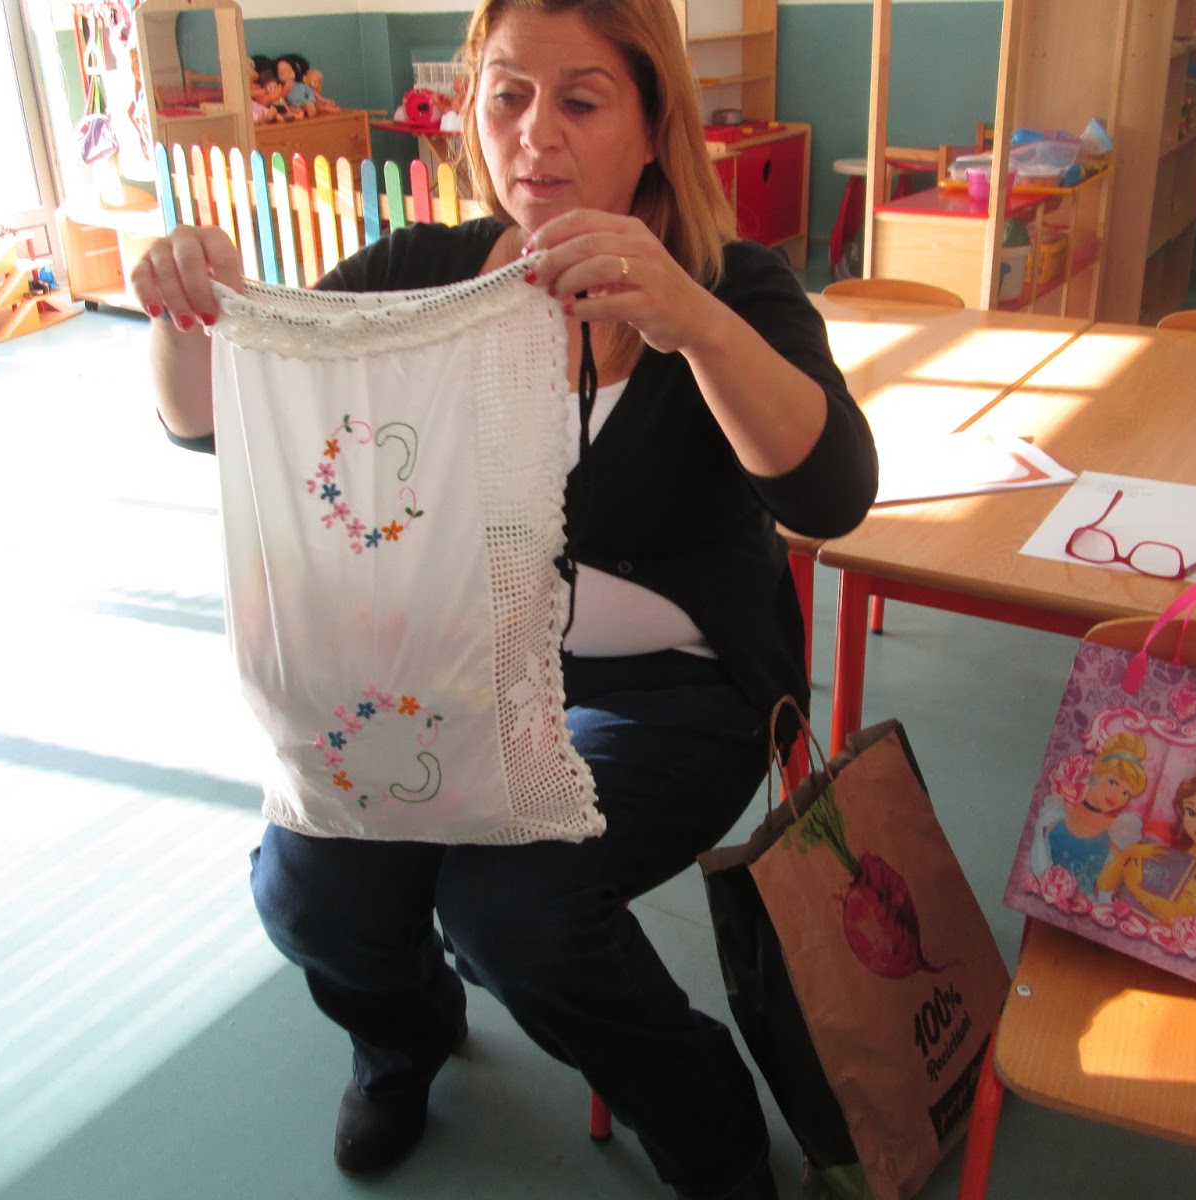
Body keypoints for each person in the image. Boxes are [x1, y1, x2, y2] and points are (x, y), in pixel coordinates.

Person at [129, 0, 877, 1196]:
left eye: (581, 100)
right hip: (443, 673)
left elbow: (832, 493)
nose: (537, 133)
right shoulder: (421, 276)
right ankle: (402, 1038)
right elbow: (211, 418)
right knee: (312, 887)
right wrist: (183, 313)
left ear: (651, 127)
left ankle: (711, 1135)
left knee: (512, 906)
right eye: (508, 97)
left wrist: (691, 321)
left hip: (673, 699)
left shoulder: (731, 285)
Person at [1098, 760, 1196, 923]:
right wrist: (1129, 852)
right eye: (1191, 812)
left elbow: (1178, 918)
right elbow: (1104, 885)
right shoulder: (1162, 850)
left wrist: (1136, 888)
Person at [1029, 731, 1146, 896]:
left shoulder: (1117, 832)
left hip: (1085, 905)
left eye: (1126, 793)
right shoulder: (1058, 808)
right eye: (1113, 782)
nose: (1118, 796)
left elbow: (1107, 890)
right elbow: (1037, 850)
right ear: (1095, 774)